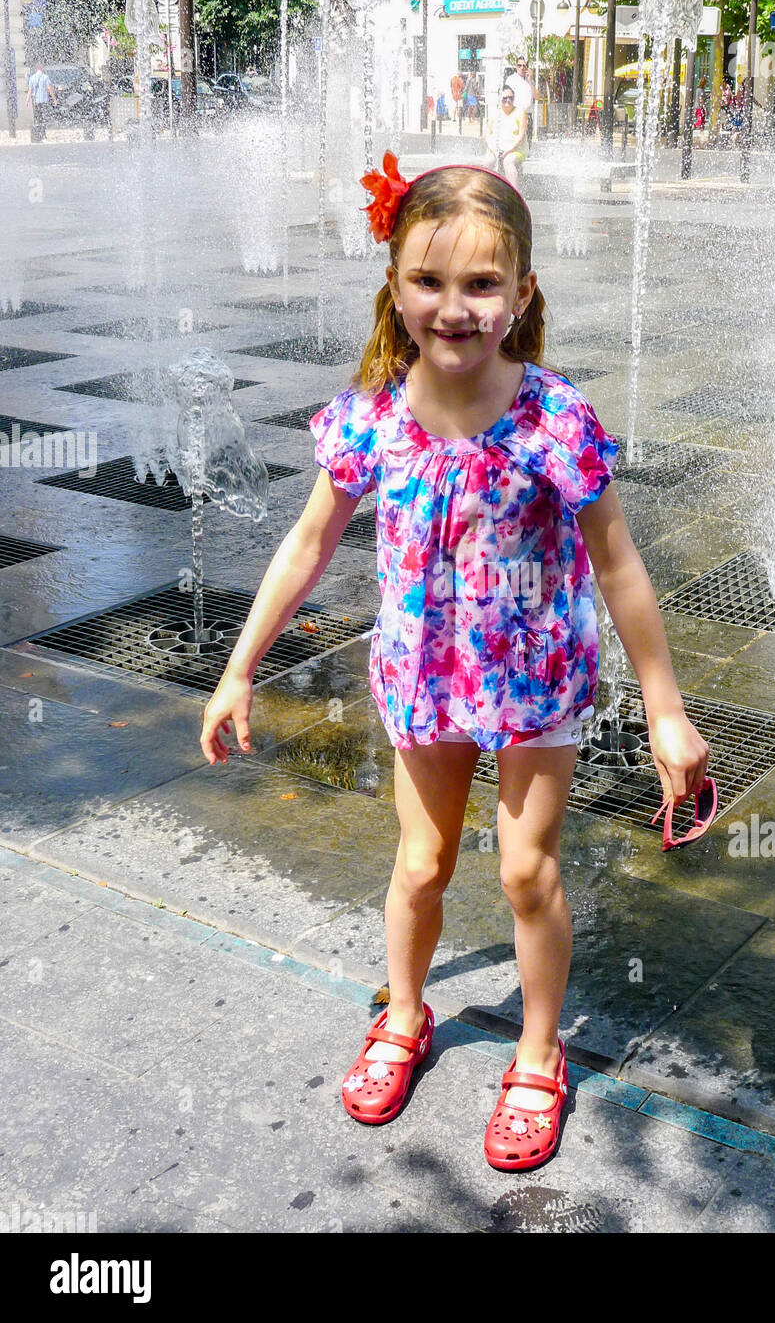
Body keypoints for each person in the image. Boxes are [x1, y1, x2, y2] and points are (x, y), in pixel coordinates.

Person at [199, 152, 711, 1171]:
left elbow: (620, 564)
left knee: (526, 872)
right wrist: (238, 662)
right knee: (422, 863)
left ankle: (536, 1052)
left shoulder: (555, 416)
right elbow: (306, 543)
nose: (456, 307)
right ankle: (403, 1015)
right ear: (394, 285)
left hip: (535, 675)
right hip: (425, 674)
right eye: (429, 281)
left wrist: (666, 706)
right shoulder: (374, 414)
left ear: (522, 292)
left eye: (482, 284)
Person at [484, 86, 527, 188]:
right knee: (487, 162)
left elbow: (521, 135)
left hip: (516, 149)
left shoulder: (520, 112)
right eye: (505, 97)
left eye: (511, 98)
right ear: (499, 98)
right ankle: (485, 190)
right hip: (496, 149)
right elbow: (487, 134)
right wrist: (493, 149)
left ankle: (514, 193)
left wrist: (508, 150)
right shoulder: (495, 112)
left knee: (508, 161)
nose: (508, 100)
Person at [505, 54, 538, 147]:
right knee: (515, 143)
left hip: (528, 115)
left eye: (524, 65)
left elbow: (537, 96)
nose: (522, 68)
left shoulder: (530, 81)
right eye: (519, 65)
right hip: (516, 115)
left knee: (527, 145)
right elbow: (506, 98)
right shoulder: (511, 80)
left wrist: (531, 81)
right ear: (516, 66)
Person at [27, 61, 57, 141]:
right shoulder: (45, 77)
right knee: (43, 118)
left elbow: (30, 90)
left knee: (37, 117)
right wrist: (54, 99)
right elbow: (49, 88)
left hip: (36, 101)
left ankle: (38, 132)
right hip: (44, 100)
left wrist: (27, 100)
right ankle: (43, 133)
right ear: (41, 68)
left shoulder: (32, 77)